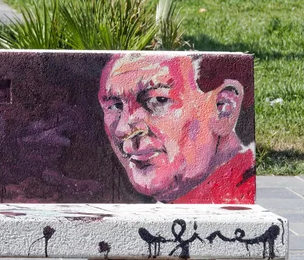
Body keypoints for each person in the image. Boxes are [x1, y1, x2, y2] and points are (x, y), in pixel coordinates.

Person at [98, 53, 255, 203]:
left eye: (158, 100)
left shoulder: (231, 201)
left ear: (223, 109)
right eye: (115, 106)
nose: (123, 128)